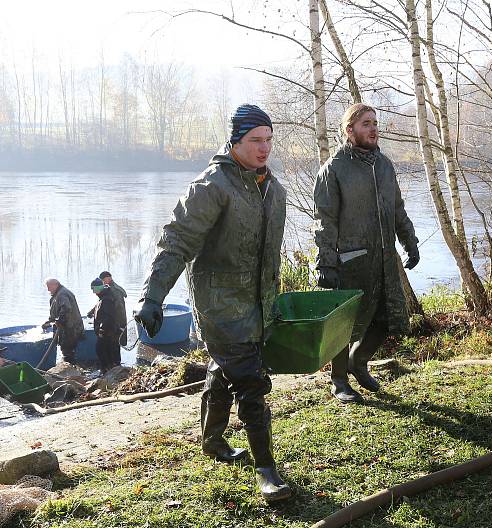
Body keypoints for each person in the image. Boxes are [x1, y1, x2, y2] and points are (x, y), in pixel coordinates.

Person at [134, 104, 290, 501]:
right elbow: (177, 242)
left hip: (257, 305)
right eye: (255, 140)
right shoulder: (212, 186)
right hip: (219, 306)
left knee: (224, 371)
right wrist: (153, 297)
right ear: (235, 141)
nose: (264, 148)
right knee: (252, 383)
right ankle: (267, 470)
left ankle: (213, 441)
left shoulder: (272, 188)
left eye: (269, 139)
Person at [313, 103, 419, 404]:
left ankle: (358, 363)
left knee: (386, 318)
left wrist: (409, 241)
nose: (373, 129)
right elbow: (324, 222)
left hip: (384, 258)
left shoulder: (384, 165)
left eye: (375, 123)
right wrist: (326, 264)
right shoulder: (333, 170)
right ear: (350, 131)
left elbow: (397, 208)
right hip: (351, 261)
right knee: (345, 326)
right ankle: (339, 381)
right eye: (366, 124)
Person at [42, 278, 84, 364]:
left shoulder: (62, 294)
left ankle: (69, 368)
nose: (48, 289)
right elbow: (57, 310)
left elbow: (66, 308)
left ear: (55, 285)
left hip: (70, 328)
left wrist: (59, 321)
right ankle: (70, 366)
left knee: (67, 349)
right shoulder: (58, 293)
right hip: (68, 326)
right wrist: (50, 321)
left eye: (49, 287)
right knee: (67, 348)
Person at [87, 271, 128, 346]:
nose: (101, 282)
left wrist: (119, 327)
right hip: (111, 326)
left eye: (102, 280)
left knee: (113, 350)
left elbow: (118, 310)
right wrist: (93, 311)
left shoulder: (115, 291)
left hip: (116, 327)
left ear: (108, 278)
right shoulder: (106, 288)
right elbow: (102, 302)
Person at [90, 278, 122, 373]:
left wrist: (102, 330)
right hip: (108, 331)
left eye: (94, 289)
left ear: (99, 288)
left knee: (102, 350)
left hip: (107, 332)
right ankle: (108, 370)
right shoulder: (104, 297)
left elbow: (109, 317)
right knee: (106, 351)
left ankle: (108, 370)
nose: (93, 292)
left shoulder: (107, 299)